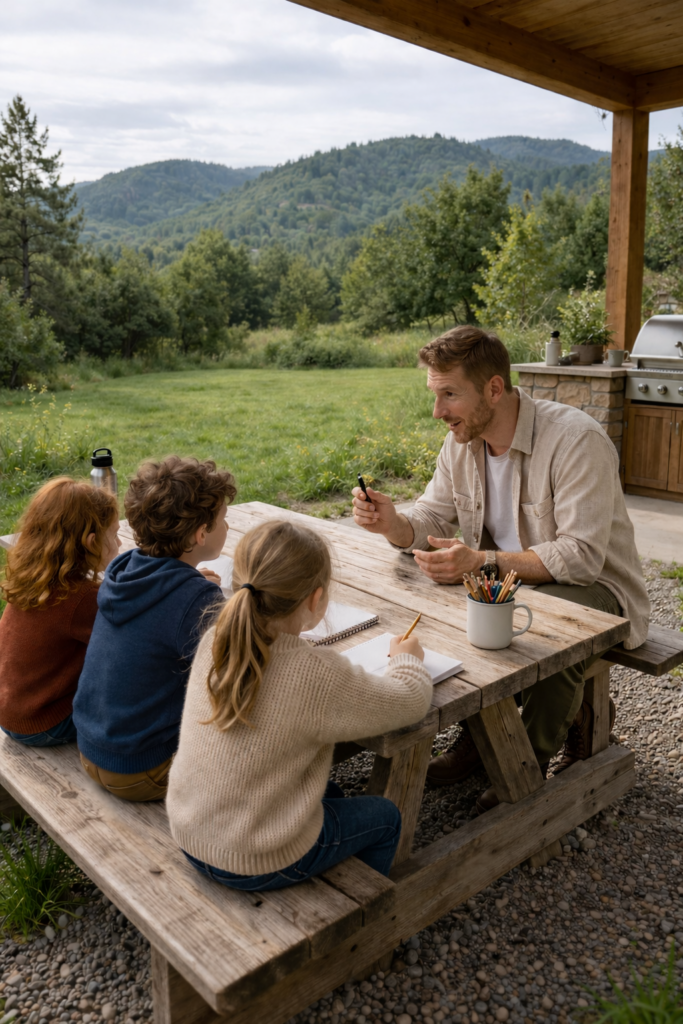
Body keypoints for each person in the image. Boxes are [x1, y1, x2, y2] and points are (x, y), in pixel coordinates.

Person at [352, 326, 650, 809]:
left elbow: (580, 556)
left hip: (595, 586)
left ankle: (521, 761)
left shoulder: (576, 440)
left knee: (540, 625)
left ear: (494, 388)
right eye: (435, 394)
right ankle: (481, 735)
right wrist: (394, 524)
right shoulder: (461, 442)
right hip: (509, 580)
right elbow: (431, 516)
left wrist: (481, 562)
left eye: (450, 394)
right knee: (452, 605)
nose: (437, 411)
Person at [167, 519, 432, 888]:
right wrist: (407, 660)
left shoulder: (216, 639)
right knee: (386, 817)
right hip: (254, 859)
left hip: (190, 831)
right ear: (315, 598)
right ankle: (365, 922)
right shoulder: (313, 674)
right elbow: (411, 701)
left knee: (331, 791)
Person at [74, 456, 236, 802]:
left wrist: (191, 586)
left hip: (91, 749)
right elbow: (236, 665)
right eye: (224, 520)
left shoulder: (124, 571)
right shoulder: (194, 600)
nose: (228, 528)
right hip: (142, 770)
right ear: (201, 533)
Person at [0, 478, 120, 746]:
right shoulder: (80, 598)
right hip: (44, 722)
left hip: (11, 711)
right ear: (91, 542)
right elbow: (129, 639)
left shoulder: (36, 578)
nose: (120, 542)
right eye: (114, 534)